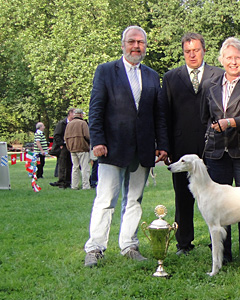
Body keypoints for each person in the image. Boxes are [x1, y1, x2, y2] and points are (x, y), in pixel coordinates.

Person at [84, 26, 169, 267]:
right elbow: (96, 108)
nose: (136, 46)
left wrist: (162, 144)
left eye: (140, 42)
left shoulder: (152, 76)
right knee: (105, 199)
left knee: (134, 200)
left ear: (145, 46)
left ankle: (129, 245)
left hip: (142, 149)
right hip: (111, 148)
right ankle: (95, 248)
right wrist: (97, 140)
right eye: (131, 41)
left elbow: (158, 114)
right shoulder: (106, 71)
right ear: (123, 45)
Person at [200, 37, 240, 264]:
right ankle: (223, 255)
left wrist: (231, 122)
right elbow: (205, 117)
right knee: (220, 207)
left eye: (237, 57)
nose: (233, 61)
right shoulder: (210, 85)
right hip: (217, 154)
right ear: (221, 60)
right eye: (228, 57)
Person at [160, 32, 224, 256]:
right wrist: (165, 146)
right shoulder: (170, 78)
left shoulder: (219, 74)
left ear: (204, 50)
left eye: (196, 50)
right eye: (187, 51)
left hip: (213, 145)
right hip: (181, 146)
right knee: (183, 196)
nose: (192, 55)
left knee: (216, 194)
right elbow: (164, 115)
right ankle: (183, 243)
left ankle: (217, 242)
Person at [64, 108, 91, 190]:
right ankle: (85, 186)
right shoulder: (83, 123)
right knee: (85, 167)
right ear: (80, 115)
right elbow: (87, 135)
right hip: (82, 147)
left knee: (75, 167)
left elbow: (65, 137)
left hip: (72, 148)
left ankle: (74, 185)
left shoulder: (69, 124)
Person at [49, 108, 75, 188]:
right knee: (62, 165)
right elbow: (56, 135)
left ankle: (67, 181)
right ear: (70, 113)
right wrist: (61, 144)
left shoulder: (73, 123)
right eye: (74, 113)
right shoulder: (62, 123)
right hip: (63, 147)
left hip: (70, 146)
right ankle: (61, 182)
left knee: (69, 164)